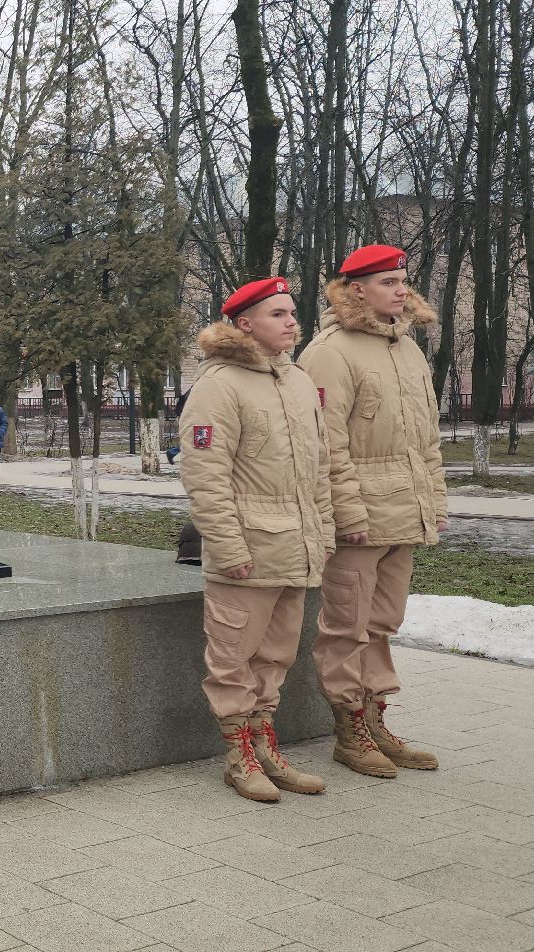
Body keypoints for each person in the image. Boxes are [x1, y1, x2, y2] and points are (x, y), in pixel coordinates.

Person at [178, 277, 333, 803]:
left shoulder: (297, 381)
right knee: (232, 661)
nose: (292, 321)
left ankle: (265, 747)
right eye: (278, 314)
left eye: (292, 312)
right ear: (245, 324)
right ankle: (237, 757)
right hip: (246, 550)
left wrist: (323, 533)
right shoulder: (218, 386)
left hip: (295, 548)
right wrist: (227, 546)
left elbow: (320, 470)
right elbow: (206, 476)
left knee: (275, 658)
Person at [298, 245, 447, 777]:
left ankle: (375, 717)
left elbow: (427, 440)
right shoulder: (330, 351)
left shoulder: (408, 349)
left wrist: (434, 501)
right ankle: (349, 730)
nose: (402, 290)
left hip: (404, 513)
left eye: (404, 280)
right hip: (358, 518)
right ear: (356, 290)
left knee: (382, 623)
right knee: (347, 626)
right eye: (389, 282)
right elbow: (324, 444)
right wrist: (349, 514)